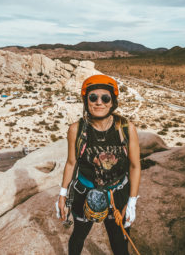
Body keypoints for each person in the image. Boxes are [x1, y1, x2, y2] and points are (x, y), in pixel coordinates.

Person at [57, 75, 141, 255]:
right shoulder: (76, 129)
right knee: (78, 237)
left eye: (105, 98)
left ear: (113, 102)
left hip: (117, 194)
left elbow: (135, 166)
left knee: (119, 242)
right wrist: (63, 194)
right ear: (86, 101)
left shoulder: (125, 128)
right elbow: (71, 163)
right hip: (84, 192)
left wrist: (132, 201)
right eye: (93, 98)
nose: (99, 102)